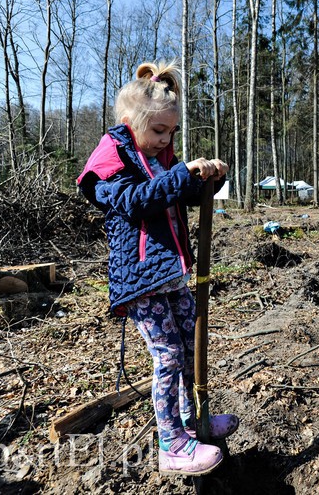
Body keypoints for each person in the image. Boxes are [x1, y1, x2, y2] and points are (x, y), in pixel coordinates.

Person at [77, 61, 239, 475]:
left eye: (171, 132)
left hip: (170, 275)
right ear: (131, 123)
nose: (166, 140)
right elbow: (135, 201)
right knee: (168, 355)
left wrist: (209, 178)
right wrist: (182, 173)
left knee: (189, 346)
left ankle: (193, 421)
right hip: (140, 280)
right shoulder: (110, 160)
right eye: (159, 131)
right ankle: (171, 443)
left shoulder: (160, 157)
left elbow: (182, 195)